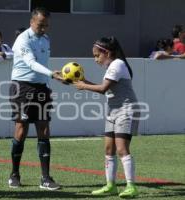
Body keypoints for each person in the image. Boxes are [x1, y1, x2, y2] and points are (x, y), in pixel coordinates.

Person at [73, 37, 140, 198]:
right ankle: (111, 185)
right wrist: (78, 81)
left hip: (126, 110)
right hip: (113, 111)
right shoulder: (112, 66)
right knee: (109, 149)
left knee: (122, 149)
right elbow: (104, 87)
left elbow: (103, 89)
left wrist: (83, 85)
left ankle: (132, 186)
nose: (95, 59)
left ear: (107, 52)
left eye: (97, 55)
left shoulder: (117, 64)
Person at [8, 7, 63, 190]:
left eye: (46, 25)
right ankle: (14, 174)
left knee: (44, 128)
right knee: (21, 129)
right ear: (32, 22)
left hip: (41, 88)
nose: (43, 29)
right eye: (40, 25)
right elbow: (31, 64)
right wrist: (52, 74)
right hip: (22, 87)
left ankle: (45, 178)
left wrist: (49, 80)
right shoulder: (23, 39)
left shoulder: (46, 39)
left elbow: (43, 65)